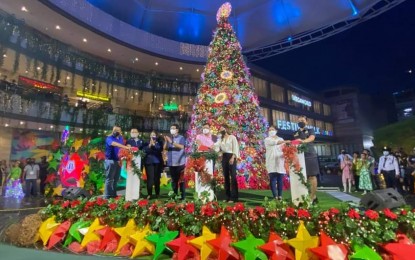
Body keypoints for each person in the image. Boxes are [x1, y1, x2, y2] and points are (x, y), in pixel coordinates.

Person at [293, 115, 319, 204]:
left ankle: (312, 198)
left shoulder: (310, 130)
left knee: (312, 176)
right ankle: (311, 196)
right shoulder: (295, 133)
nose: (301, 122)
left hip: (310, 155)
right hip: (300, 156)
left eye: (302, 120)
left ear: (306, 122)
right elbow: (294, 142)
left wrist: (303, 141)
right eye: (299, 121)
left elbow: (312, 138)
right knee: (303, 177)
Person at [104, 126, 131, 198]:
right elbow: (114, 144)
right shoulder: (109, 138)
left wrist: (127, 146)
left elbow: (121, 148)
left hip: (118, 161)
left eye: (118, 130)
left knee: (116, 179)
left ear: (120, 131)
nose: (117, 131)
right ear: (112, 130)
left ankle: (113, 195)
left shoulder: (120, 138)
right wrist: (125, 147)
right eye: (115, 130)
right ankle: (107, 196)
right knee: (109, 179)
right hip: (110, 161)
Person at [215, 125, 240, 202]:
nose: (221, 129)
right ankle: (227, 196)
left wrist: (233, 157)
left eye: (223, 128)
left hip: (231, 156)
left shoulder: (232, 137)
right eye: (220, 128)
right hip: (224, 157)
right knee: (226, 177)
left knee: (233, 177)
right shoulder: (221, 139)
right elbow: (217, 147)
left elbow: (235, 148)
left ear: (226, 129)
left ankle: (234, 197)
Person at [264, 126, 289, 200]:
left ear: (276, 131)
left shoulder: (281, 139)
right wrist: (285, 141)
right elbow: (275, 143)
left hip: (280, 161)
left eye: (272, 129)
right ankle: (275, 196)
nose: (271, 131)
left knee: (280, 179)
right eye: (269, 130)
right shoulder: (267, 139)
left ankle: (280, 196)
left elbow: (284, 149)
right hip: (271, 161)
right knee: (273, 179)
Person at [164, 124, 186, 200]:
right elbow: (165, 148)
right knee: (174, 180)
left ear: (177, 130)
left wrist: (172, 142)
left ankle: (182, 197)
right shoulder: (170, 138)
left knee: (181, 180)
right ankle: (174, 195)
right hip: (171, 162)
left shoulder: (181, 138)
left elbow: (182, 147)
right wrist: (166, 142)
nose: (172, 130)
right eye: (171, 128)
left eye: (173, 128)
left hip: (180, 163)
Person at [143, 131, 163, 199]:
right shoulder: (146, 142)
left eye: (154, 135)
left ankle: (157, 193)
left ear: (156, 136)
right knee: (150, 178)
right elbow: (144, 150)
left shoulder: (159, 142)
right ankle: (149, 194)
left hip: (157, 162)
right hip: (149, 162)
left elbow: (159, 149)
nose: (153, 136)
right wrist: (149, 145)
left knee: (157, 179)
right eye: (151, 135)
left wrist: (154, 145)